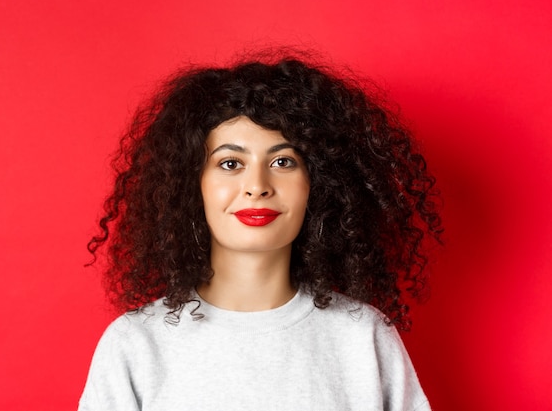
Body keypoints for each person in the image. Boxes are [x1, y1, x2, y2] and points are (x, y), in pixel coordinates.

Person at [79, 51, 442, 411]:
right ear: (192, 185)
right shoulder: (136, 345)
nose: (257, 186)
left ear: (319, 184)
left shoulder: (363, 337)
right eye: (230, 163)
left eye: (283, 161)